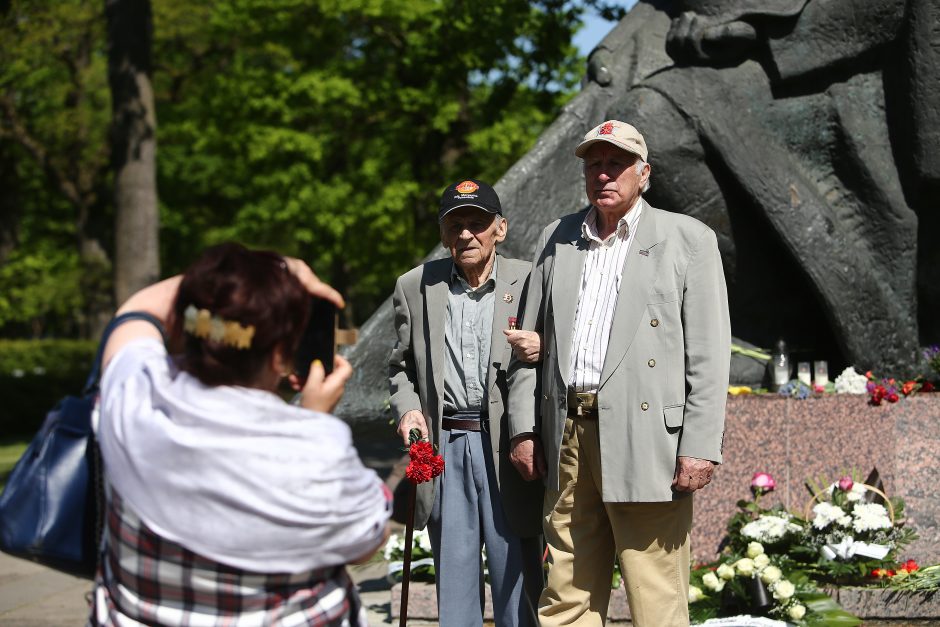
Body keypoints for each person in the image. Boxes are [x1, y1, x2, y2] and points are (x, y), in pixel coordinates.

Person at [90, 243, 391, 626]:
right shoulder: (318, 450)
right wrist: (314, 420)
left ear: (189, 326)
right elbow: (368, 540)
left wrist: (281, 270)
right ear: (280, 355)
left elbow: (138, 309)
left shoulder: (134, 393)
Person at [507, 120, 731, 626]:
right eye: (594, 165)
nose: (603, 175)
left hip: (648, 437)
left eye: (616, 164)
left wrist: (699, 443)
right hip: (567, 433)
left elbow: (710, 354)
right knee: (565, 590)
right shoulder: (556, 237)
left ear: (644, 173)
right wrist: (524, 426)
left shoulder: (687, 239)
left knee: (654, 592)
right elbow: (528, 344)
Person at [388, 179, 543, 627]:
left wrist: (543, 346)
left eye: (478, 223)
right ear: (442, 233)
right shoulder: (415, 286)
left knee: (517, 572)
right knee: (454, 577)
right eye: (455, 225)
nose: (465, 234)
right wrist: (409, 410)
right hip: (444, 447)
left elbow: (554, 356)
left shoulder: (531, 279)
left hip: (508, 445)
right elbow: (401, 370)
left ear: (501, 228)